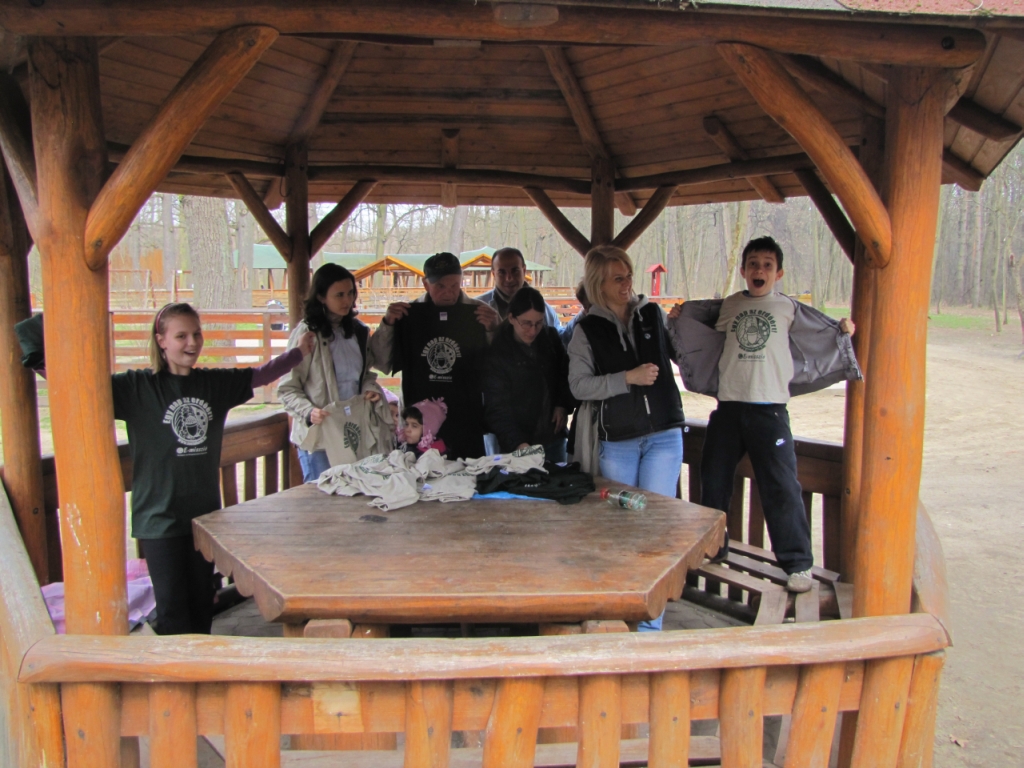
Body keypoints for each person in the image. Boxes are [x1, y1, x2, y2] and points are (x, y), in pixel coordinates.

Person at [18, 303, 316, 635]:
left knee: (202, 605)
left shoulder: (214, 385)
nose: (192, 342)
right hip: (158, 519)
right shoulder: (136, 388)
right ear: (161, 340)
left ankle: (199, 664)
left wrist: (299, 352)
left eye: (197, 334)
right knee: (173, 611)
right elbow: (78, 384)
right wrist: (38, 336)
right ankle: (177, 667)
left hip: (204, 519)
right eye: (181, 336)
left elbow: (261, 374)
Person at [679, 236, 855, 593]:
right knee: (714, 480)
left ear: (779, 273)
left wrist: (842, 332)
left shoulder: (788, 308)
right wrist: (678, 320)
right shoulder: (730, 305)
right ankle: (714, 546)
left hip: (770, 411)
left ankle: (798, 564)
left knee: (781, 486)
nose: (760, 270)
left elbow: (817, 334)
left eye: (767, 265)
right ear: (744, 271)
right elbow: (701, 329)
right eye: (754, 264)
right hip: (728, 409)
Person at [568, 246, 684, 630]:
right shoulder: (586, 329)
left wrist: (684, 325)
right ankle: (617, 616)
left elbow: (683, 354)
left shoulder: (653, 314)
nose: (626, 284)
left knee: (654, 529)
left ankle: (650, 627)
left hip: (664, 435)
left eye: (629, 276)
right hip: (618, 442)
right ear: (598, 283)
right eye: (617, 278)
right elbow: (578, 386)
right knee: (619, 530)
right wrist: (627, 379)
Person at [369, 252, 500, 460]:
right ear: (425, 284)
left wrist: (494, 330)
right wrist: (388, 325)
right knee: (420, 474)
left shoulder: (480, 314)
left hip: (465, 419)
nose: (449, 292)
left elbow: (500, 365)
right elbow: (381, 362)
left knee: (467, 474)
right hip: (418, 421)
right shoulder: (407, 316)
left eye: (455, 285)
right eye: (440, 286)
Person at [278, 263, 386, 483]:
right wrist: (308, 412)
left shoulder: (358, 331)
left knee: (356, 494)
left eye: (350, 293)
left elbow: (365, 373)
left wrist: (369, 388)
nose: (347, 300)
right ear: (321, 296)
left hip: (352, 430)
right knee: (322, 498)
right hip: (320, 434)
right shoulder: (307, 333)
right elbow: (287, 388)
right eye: (339, 295)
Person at [482, 285, 576, 462]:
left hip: (553, 436)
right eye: (526, 323)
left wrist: (562, 405)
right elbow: (497, 408)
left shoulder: (550, 338)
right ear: (511, 318)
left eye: (538, 323)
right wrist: (519, 445)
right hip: (516, 443)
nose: (533, 331)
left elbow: (565, 375)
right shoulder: (498, 353)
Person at [477, 247, 565, 339]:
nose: (509, 278)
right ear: (493, 274)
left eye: (515, 271)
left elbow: (560, 340)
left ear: (524, 270)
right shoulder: (478, 307)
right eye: (502, 272)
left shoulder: (546, 311)